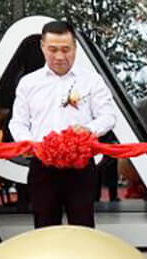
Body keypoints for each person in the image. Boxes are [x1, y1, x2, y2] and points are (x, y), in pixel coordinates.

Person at [9, 20, 117, 228]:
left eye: (66, 49)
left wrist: (89, 130)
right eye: (53, 49)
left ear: (75, 48)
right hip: (43, 164)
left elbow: (108, 116)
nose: (59, 56)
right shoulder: (28, 83)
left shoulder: (92, 80)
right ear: (42, 47)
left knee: (83, 227)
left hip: (80, 165)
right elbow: (18, 122)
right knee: (44, 227)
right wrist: (28, 142)